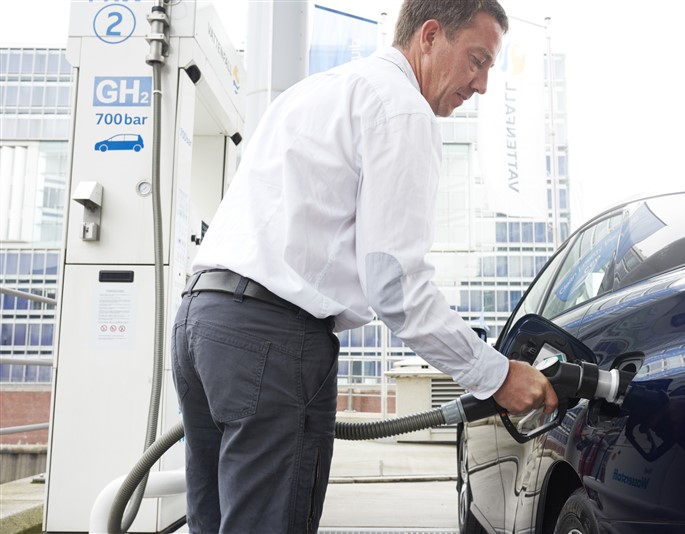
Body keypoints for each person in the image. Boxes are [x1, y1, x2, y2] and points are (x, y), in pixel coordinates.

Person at [171, 0, 558, 532]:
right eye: (477, 59)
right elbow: (395, 289)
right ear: (429, 36)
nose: (483, 84)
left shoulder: (311, 92)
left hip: (201, 323)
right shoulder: (400, 108)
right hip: (272, 341)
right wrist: (496, 375)